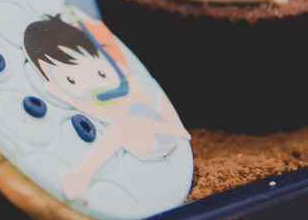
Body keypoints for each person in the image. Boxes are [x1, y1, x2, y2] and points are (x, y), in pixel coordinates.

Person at [23, 11, 190, 201]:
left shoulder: (124, 86)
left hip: (160, 135)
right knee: (122, 126)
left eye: (101, 73)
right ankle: (80, 178)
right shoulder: (80, 97)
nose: (94, 85)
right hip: (144, 140)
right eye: (70, 80)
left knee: (123, 125)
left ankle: (81, 176)